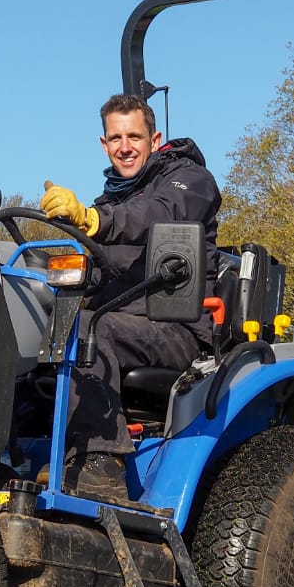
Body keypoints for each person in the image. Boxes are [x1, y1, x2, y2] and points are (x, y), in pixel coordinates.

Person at [39, 93, 220, 501]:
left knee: (88, 328)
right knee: (42, 324)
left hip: (177, 327)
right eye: (116, 138)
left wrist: (93, 220)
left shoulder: (188, 181)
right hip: (124, 325)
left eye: (134, 137)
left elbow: (158, 213)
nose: (125, 147)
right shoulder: (109, 201)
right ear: (103, 144)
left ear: (154, 139)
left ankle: (101, 464)